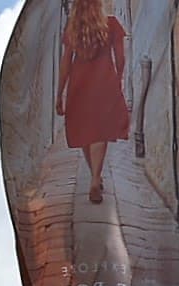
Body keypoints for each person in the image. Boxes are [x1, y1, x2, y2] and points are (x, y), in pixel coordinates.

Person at [55, 0, 129, 205]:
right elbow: (121, 58)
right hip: (104, 82)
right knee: (100, 131)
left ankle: (95, 176)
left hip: (79, 84)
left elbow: (65, 63)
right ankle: (96, 178)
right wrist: (118, 78)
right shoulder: (112, 25)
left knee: (85, 132)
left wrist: (59, 93)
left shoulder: (73, 28)